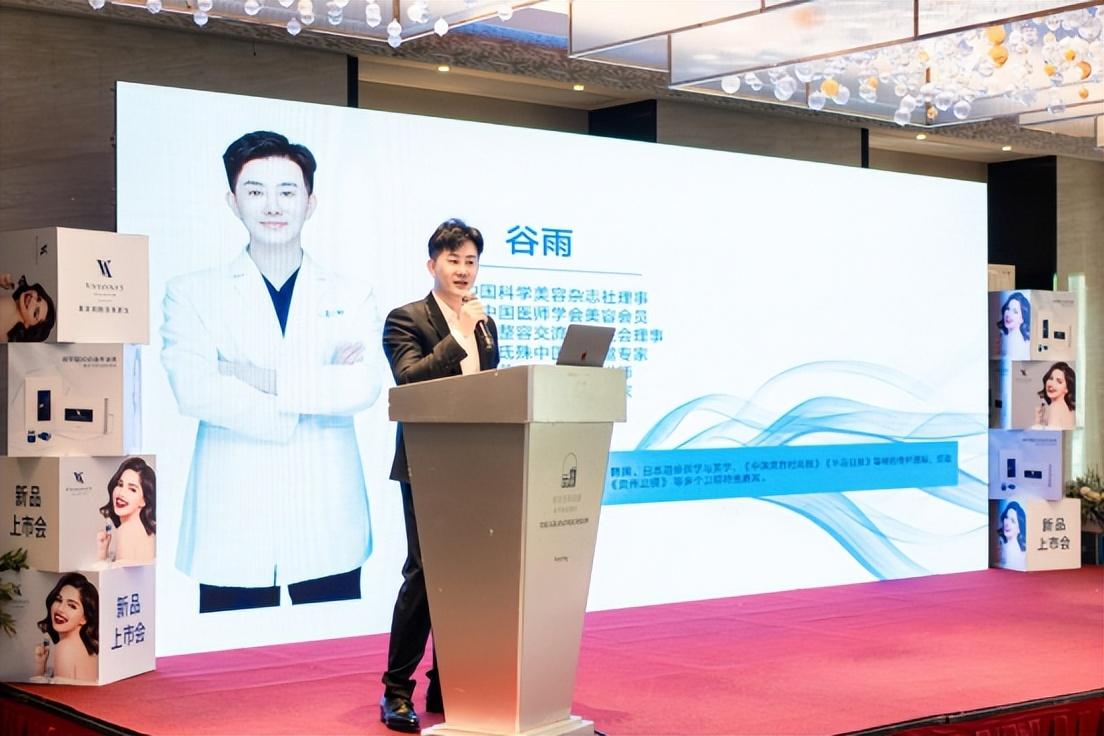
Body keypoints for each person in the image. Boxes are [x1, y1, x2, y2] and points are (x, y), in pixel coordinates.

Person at [161, 131, 382, 613]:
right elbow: (194, 389)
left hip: (326, 507)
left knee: (331, 640)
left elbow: (363, 385)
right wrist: (315, 387)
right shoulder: (192, 292)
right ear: (233, 202)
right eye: (255, 191)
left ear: (310, 202)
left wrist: (257, 377)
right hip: (234, 509)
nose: (273, 206)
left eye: (287, 191)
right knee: (233, 645)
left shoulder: (351, 293)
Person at [379, 218, 499, 733]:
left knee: (467, 575)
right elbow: (409, 381)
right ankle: (395, 690)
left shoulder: (487, 323)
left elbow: (491, 388)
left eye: (471, 261)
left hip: (478, 464)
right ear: (433, 265)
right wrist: (459, 334)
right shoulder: (405, 319)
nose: (463, 270)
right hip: (426, 464)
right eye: (454, 260)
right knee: (425, 574)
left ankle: (447, 682)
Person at [34, 572, 99, 682]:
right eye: (58, 600)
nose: (60, 609)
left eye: (72, 606)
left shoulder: (65, 647)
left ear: (85, 618)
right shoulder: (88, 648)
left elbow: (60, 692)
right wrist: (40, 665)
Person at [97, 457, 157, 565]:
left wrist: (101, 557)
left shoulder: (126, 531)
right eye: (120, 485)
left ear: (144, 500)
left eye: (132, 489)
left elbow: (121, 575)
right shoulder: (149, 530)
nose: (121, 493)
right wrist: (103, 550)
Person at [0, 273, 56, 342]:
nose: (32, 300)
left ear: (28, 326)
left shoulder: (9, 309)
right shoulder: (10, 304)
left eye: (35, 312)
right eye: (38, 298)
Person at [1034, 361, 1076, 430]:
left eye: (1059, 381)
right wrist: (1039, 420)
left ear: (1067, 389)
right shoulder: (1068, 408)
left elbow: (1051, 436)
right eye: (1051, 378)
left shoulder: (1056, 408)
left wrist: (1037, 423)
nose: (1051, 384)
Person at [995, 291, 1030, 360]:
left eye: (1015, 311)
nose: (1008, 314)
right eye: (1008, 309)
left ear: (1022, 319)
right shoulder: (1004, 338)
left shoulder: (1017, 343)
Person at [997, 501, 1027, 570]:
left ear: (1019, 529)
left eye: (1013, 521)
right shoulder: (1000, 548)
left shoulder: (1023, 556)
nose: (1007, 523)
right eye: (1006, 517)